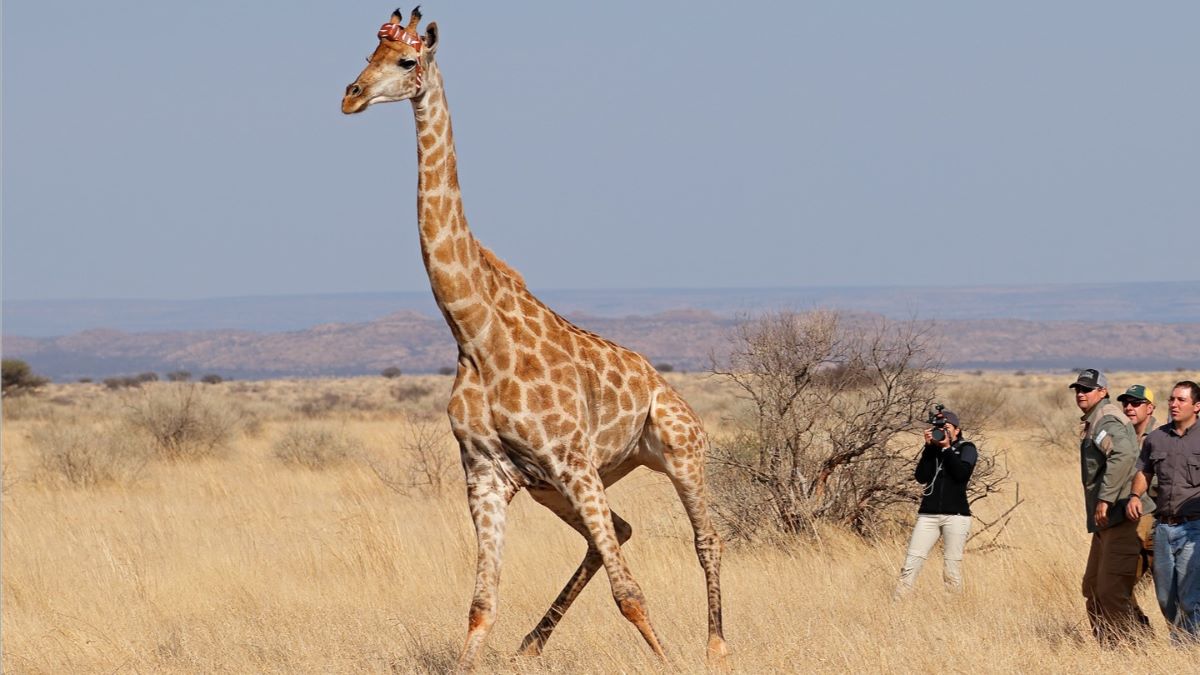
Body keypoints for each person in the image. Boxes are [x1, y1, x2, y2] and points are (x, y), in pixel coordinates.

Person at [1071, 368, 1150, 645]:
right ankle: (1109, 648)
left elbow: (1125, 453)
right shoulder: (1098, 419)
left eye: (1087, 389)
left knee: (1111, 591)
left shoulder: (1105, 419)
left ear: (1102, 392)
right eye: (1078, 389)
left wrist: (1105, 498)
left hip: (1121, 515)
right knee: (1093, 588)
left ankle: (1135, 650)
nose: (1081, 393)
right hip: (1107, 520)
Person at [1126, 381, 1200, 644]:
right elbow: (1144, 471)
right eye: (1171, 399)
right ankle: (1182, 639)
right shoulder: (1156, 438)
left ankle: (1186, 651)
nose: (1174, 404)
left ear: (1197, 406)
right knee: (1165, 596)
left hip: (1194, 528)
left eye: (1181, 400)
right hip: (1163, 528)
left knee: (1190, 596)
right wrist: (1135, 495)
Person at [894, 408, 977, 597]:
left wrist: (947, 448)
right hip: (928, 514)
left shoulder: (967, 448)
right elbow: (921, 477)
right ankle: (898, 604)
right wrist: (929, 448)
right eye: (939, 427)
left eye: (947, 427)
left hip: (956, 516)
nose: (943, 431)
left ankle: (953, 608)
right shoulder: (933, 450)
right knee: (911, 563)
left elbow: (961, 474)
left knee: (951, 566)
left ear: (957, 430)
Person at [1118, 385, 1158, 585]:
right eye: (1125, 403)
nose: (1129, 408)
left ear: (1150, 408)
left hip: (1156, 522)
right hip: (1131, 520)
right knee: (1126, 585)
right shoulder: (1123, 438)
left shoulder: (1161, 437)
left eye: (1136, 403)